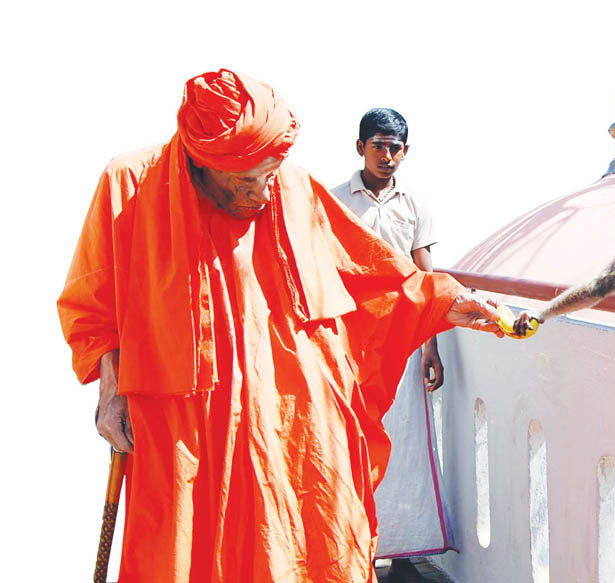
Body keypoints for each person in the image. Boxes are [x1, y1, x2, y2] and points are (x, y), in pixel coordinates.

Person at [56, 69, 504, 583]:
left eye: (268, 175)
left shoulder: (291, 185)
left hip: (292, 420)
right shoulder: (130, 183)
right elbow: (92, 300)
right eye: (245, 181)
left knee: (305, 543)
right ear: (199, 166)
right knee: (183, 553)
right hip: (184, 426)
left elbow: (371, 276)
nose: (263, 193)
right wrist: (110, 391)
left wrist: (447, 301)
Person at [331, 109, 446, 582]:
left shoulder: (414, 206)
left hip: (401, 342)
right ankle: (352, 548)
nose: (386, 155)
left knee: (402, 445)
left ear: (406, 151)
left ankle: (400, 550)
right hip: (350, 344)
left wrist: (431, 348)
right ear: (360, 148)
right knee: (350, 444)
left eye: (395, 147)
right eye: (378, 145)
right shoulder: (336, 203)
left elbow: (427, 281)